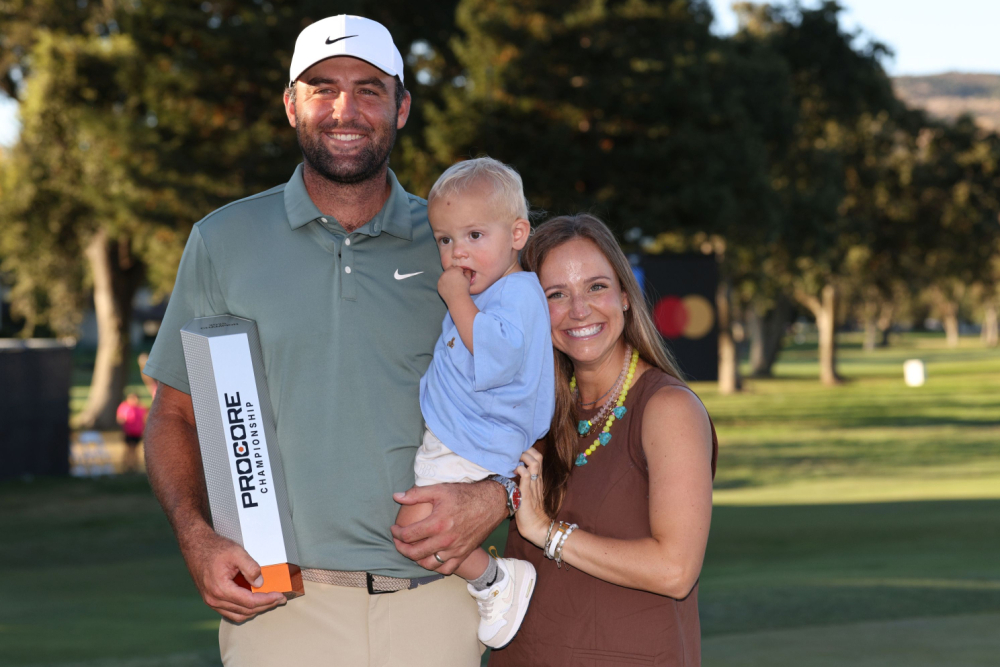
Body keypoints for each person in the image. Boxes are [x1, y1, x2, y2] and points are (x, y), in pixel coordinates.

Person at [141, 15, 510, 666]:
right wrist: (196, 537)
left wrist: (496, 495)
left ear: (401, 108)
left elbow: (534, 396)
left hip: (437, 601)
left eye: (369, 90)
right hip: (278, 605)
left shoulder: (461, 242)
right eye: (323, 89)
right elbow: (174, 413)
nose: (346, 110)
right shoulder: (223, 240)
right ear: (292, 106)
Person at [491, 214, 719, 667]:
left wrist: (547, 533)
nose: (579, 310)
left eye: (596, 287)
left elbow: (675, 570)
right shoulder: (537, 412)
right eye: (556, 294)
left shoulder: (667, 408)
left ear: (625, 296)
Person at [397, 157, 554, 648]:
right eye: (445, 240)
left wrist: (456, 299)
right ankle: (492, 579)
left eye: (474, 236)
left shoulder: (517, 295)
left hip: (474, 442)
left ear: (517, 234)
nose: (457, 252)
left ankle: (496, 580)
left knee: (415, 531)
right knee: (417, 531)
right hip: (462, 436)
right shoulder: (492, 291)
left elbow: (496, 356)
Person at [115, 392, 147, 473]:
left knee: (135, 450)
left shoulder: (141, 408)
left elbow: (144, 419)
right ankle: (126, 465)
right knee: (128, 449)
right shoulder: (124, 407)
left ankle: (134, 466)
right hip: (128, 432)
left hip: (137, 432)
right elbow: (120, 418)